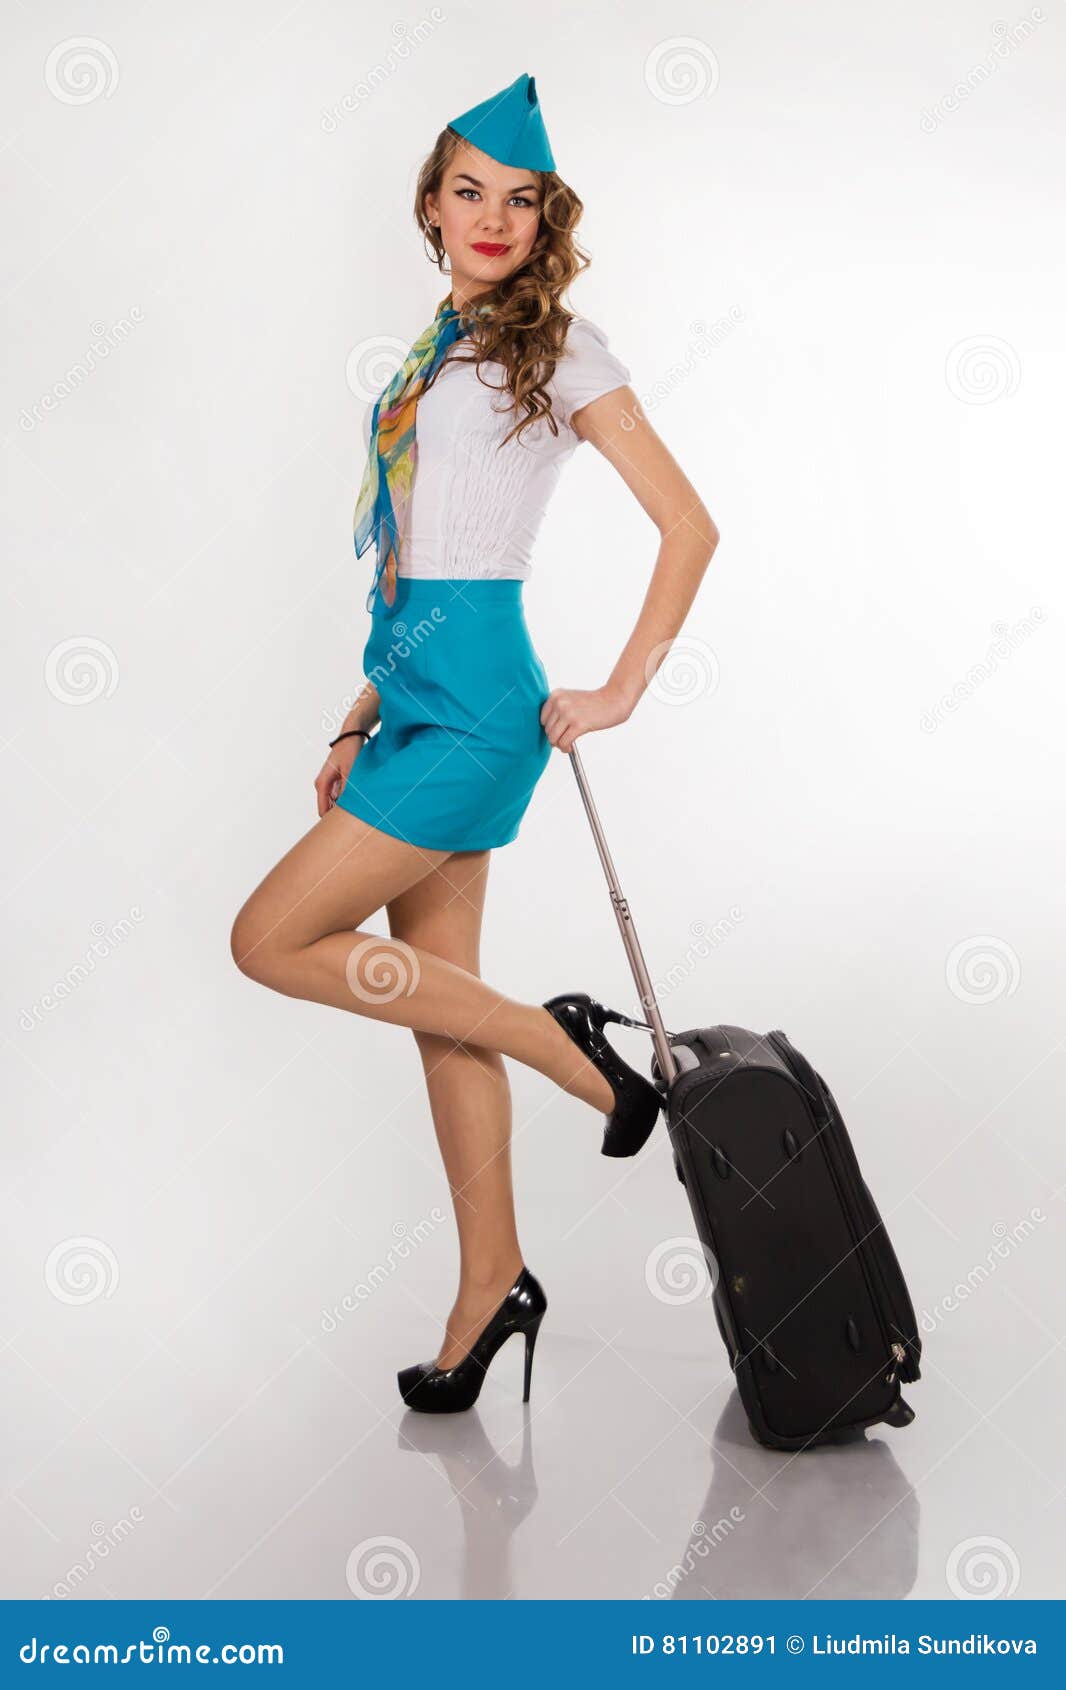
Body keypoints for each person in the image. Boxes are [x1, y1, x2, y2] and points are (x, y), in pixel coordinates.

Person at [230, 73, 719, 1414]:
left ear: (540, 218)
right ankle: (490, 1282)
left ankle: (570, 1050)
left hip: (489, 707)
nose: (492, 217)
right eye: (468, 191)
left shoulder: (556, 348)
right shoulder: (428, 354)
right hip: (411, 693)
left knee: (267, 939)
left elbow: (689, 524)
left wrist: (619, 687)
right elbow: (405, 563)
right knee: (433, 1011)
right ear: (430, 206)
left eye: (518, 199)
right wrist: (357, 711)